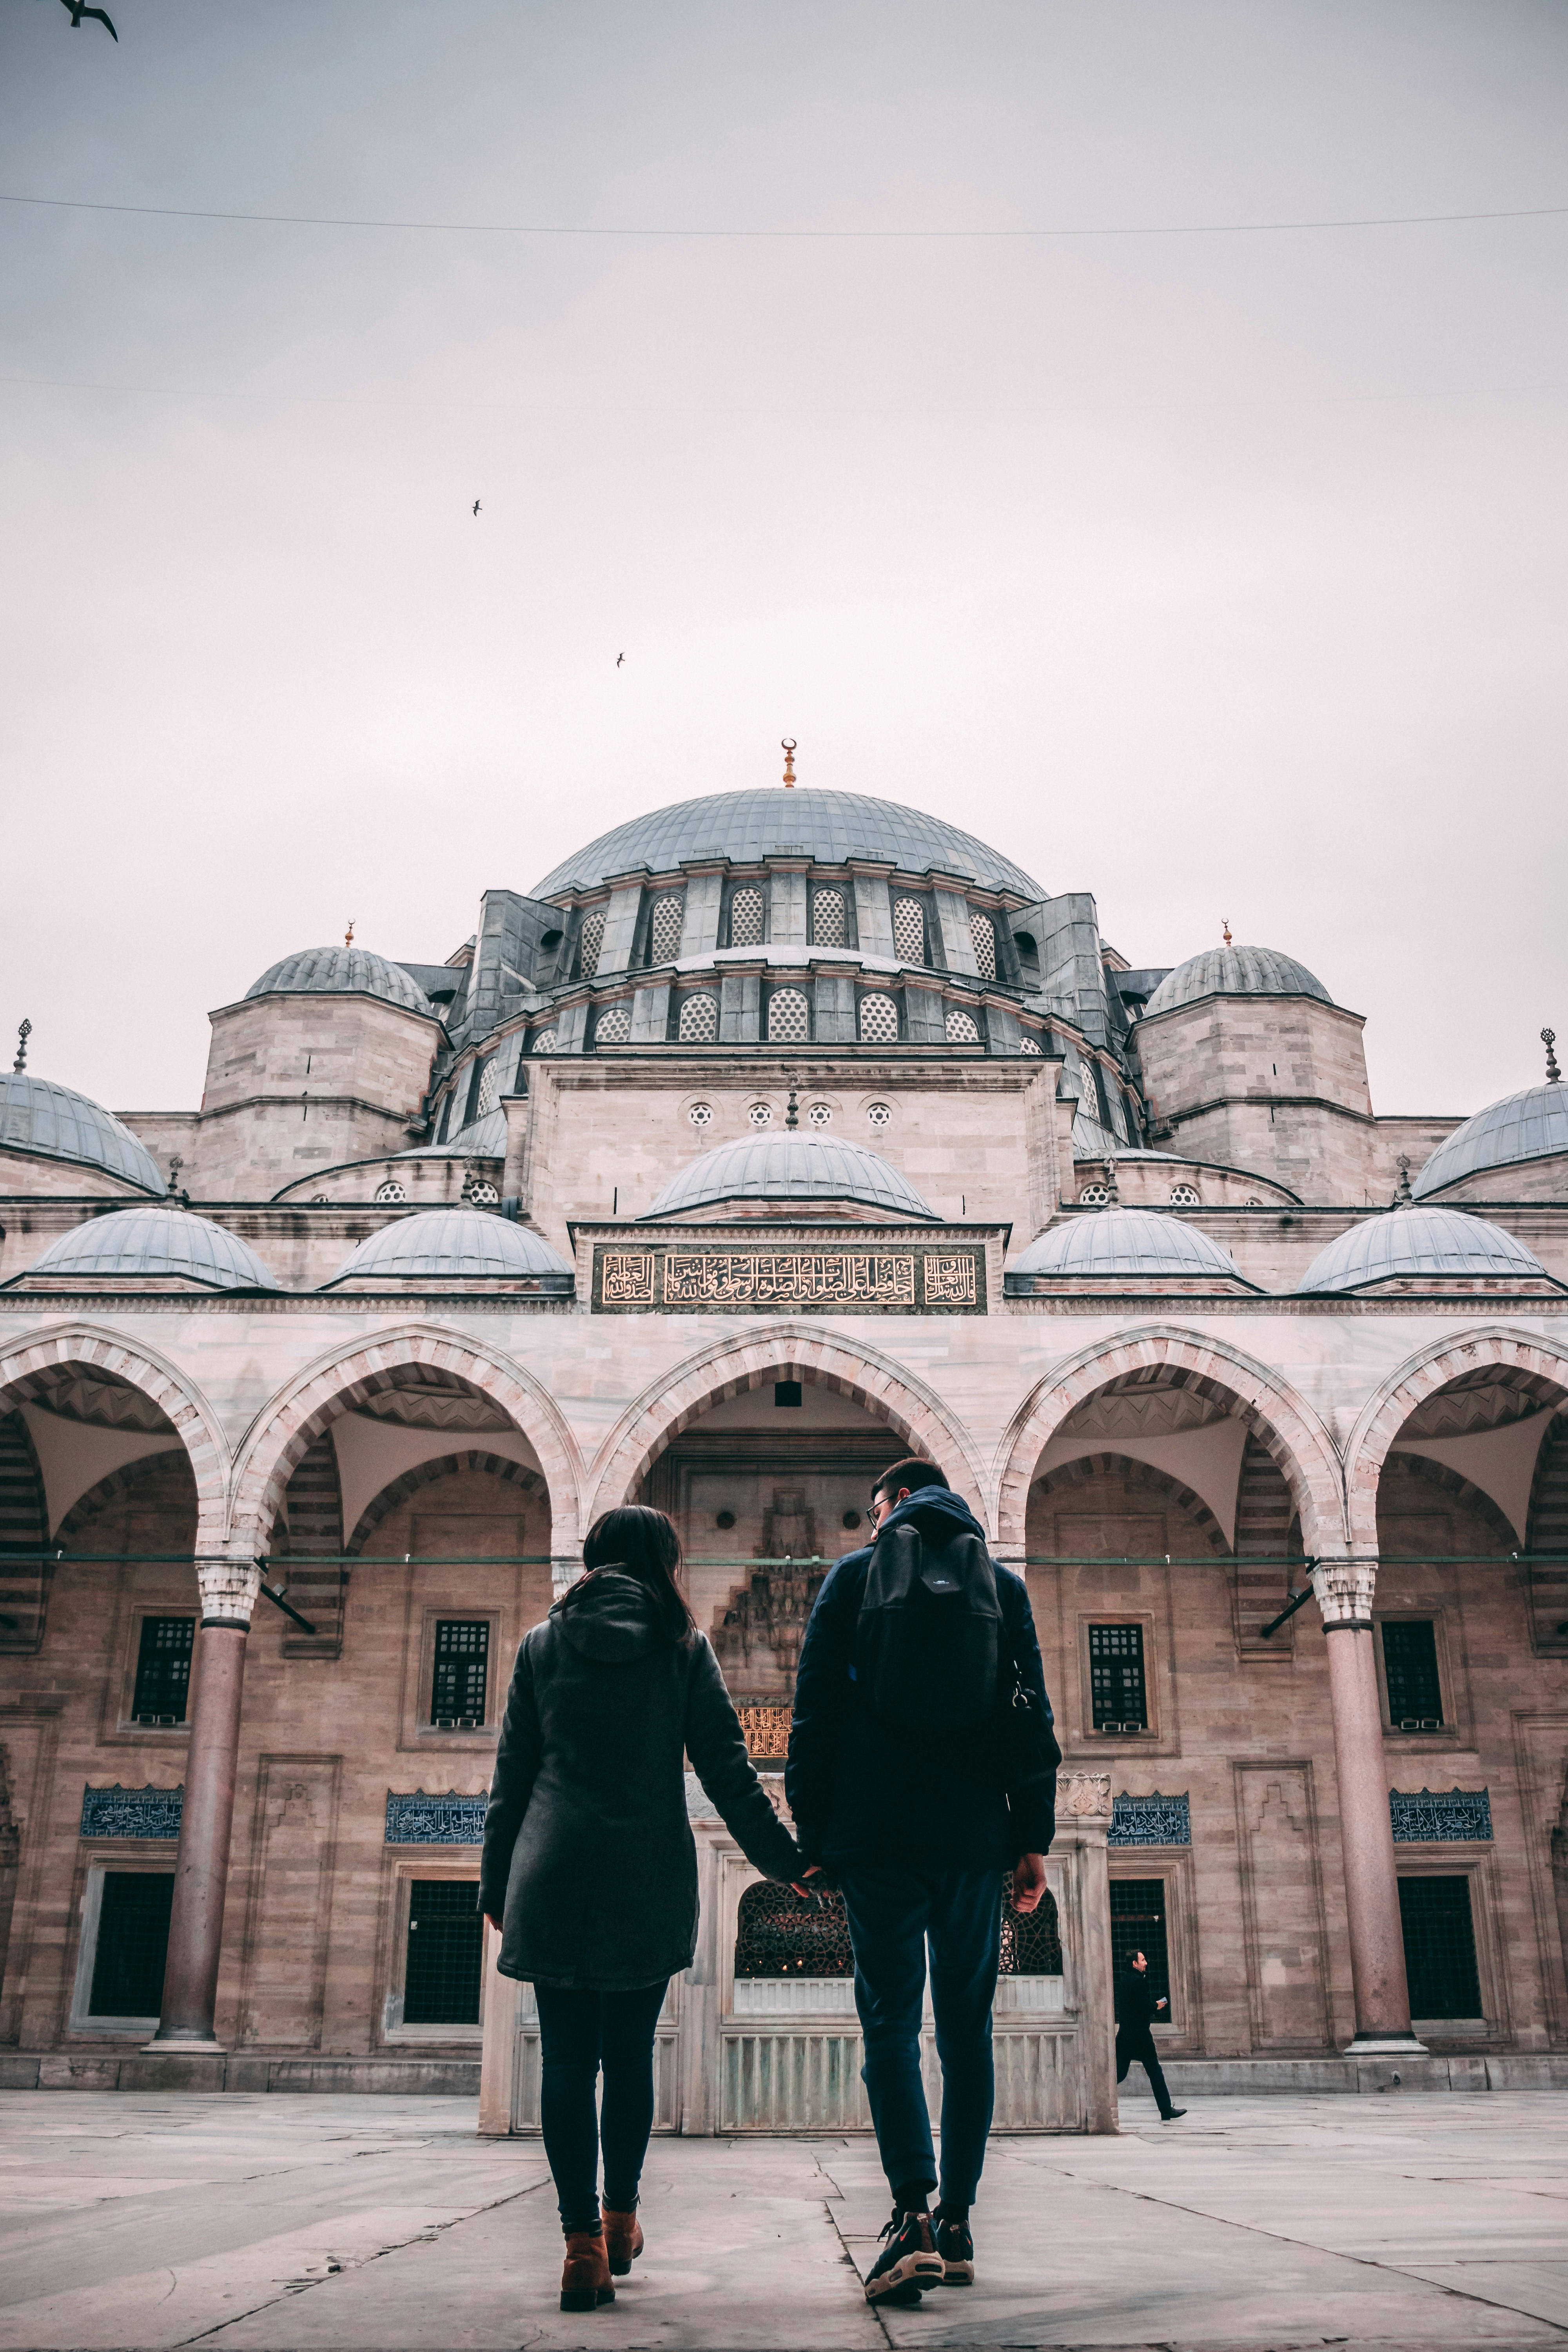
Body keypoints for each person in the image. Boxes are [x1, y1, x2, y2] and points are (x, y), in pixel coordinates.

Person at [479, 1504, 807, 2314]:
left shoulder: (540, 1645)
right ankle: (622, 2219)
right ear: (663, 1563)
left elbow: (511, 1781)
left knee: (566, 2062)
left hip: (551, 1875)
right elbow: (730, 1774)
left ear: (592, 1559)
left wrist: (495, 1884)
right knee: (627, 2059)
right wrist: (785, 1863)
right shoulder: (680, 1648)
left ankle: (581, 2243)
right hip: (644, 1877)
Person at [786, 1457, 1058, 2307]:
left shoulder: (852, 1578)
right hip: (973, 1838)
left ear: (894, 1503)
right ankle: (960, 2221)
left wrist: (813, 1831)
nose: (873, 1526)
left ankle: (909, 2215)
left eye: (874, 1510)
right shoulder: (1001, 1587)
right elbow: (1032, 1722)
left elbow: (813, 1712)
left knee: (889, 2027)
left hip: (875, 1838)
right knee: (965, 2031)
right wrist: (1029, 1841)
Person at [1114, 1948, 1186, 2122]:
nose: (1146, 1963)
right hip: (1140, 2037)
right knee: (1155, 2072)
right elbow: (1142, 2005)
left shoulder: (1125, 1979)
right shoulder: (1138, 1981)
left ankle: (1091, 2095)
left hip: (1126, 2035)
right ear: (1135, 1964)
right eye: (1143, 1960)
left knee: (1119, 2073)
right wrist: (1157, 2006)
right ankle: (1166, 2110)